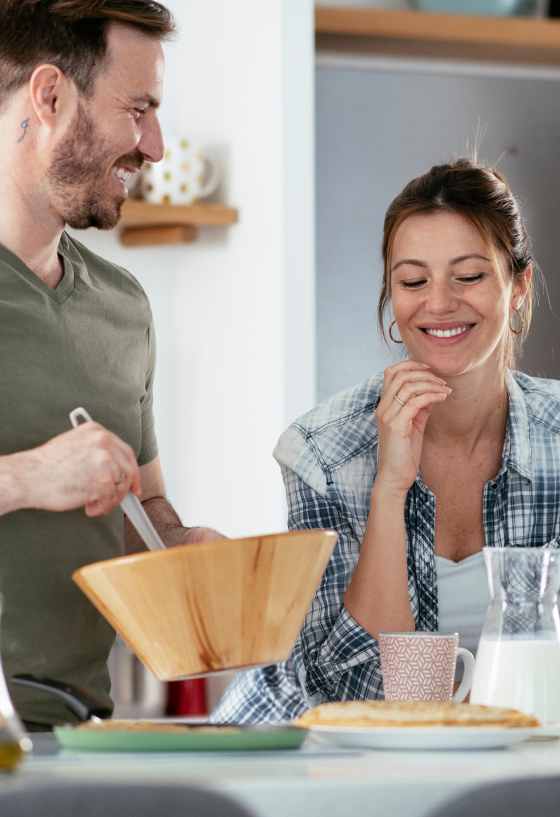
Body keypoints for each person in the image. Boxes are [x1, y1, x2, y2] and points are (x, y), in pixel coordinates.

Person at [0, 0, 221, 730]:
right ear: (49, 96)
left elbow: (141, 504)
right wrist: (28, 476)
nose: (157, 146)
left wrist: (185, 554)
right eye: (137, 109)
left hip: (77, 735)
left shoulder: (121, 307)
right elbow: (50, 479)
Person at [211, 157, 560, 723]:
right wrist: (390, 489)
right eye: (413, 281)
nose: (439, 303)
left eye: (468, 275)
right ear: (392, 297)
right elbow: (346, 691)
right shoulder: (323, 452)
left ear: (517, 286)